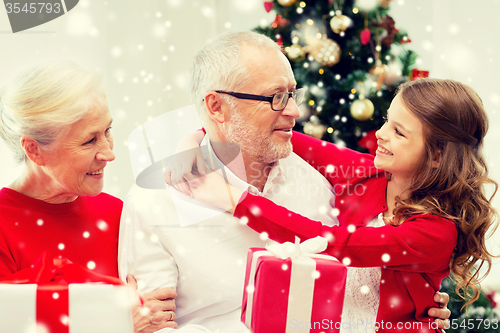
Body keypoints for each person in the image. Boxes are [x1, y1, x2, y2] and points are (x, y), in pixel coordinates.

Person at [121, 31, 450, 333]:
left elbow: (351, 255)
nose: (294, 111)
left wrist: (417, 304)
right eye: (276, 97)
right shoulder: (153, 202)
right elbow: (154, 327)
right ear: (217, 106)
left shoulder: (324, 179)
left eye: (293, 93)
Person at [171, 78, 498, 332]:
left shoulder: (435, 232)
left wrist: (235, 200)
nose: (380, 133)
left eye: (398, 132)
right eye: (387, 120)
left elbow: (336, 245)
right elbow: (270, 132)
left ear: (438, 155)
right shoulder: (362, 171)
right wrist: (195, 139)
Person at [0, 61, 177, 333]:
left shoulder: (118, 212)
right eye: (88, 141)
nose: (109, 153)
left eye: (107, 131)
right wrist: (116, 324)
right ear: (34, 150)